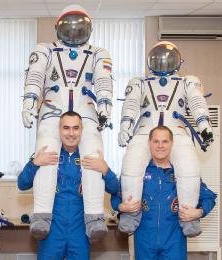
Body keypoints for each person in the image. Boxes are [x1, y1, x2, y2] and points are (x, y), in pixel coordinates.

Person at [22, 4, 113, 241]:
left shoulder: (98, 53)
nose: (73, 32)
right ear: (58, 27)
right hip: (52, 108)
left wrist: (105, 106)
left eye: (79, 26)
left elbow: (104, 82)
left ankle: (94, 217)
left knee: (92, 159)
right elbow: (35, 76)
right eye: (68, 26)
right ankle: (42, 215)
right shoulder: (45, 50)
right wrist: (30, 101)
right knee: (46, 154)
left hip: (86, 109)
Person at [117, 41, 213, 236]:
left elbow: (197, 102)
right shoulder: (140, 82)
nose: (163, 62)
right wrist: (125, 126)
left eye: (168, 58)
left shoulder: (187, 81)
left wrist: (204, 125)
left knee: (189, 170)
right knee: (131, 167)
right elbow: (131, 104)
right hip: (145, 130)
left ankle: (189, 218)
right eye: (158, 58)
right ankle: (131, 213)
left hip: (176, 131)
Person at [18, 111, 119, 259]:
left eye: (75, 128)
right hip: (51, 231)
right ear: (59, 129)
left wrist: (105, 169)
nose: (71, 133)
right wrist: (35, 163)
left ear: (81, 130)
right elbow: (22, 183)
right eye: (66, 128)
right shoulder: (47, 154)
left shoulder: (91, 156)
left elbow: (115, 188)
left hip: (80, 232)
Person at [112, 126, 217, 260]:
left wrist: (199, 212)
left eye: (165, 141)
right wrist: (121, 207)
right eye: (156, 141)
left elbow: (209, 197)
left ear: (172, 144)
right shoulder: (137, 172)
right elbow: (116, 196)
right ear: (149, 143)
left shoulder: (184, 173)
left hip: (174, 243)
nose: (160, 146)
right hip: (144, 243)